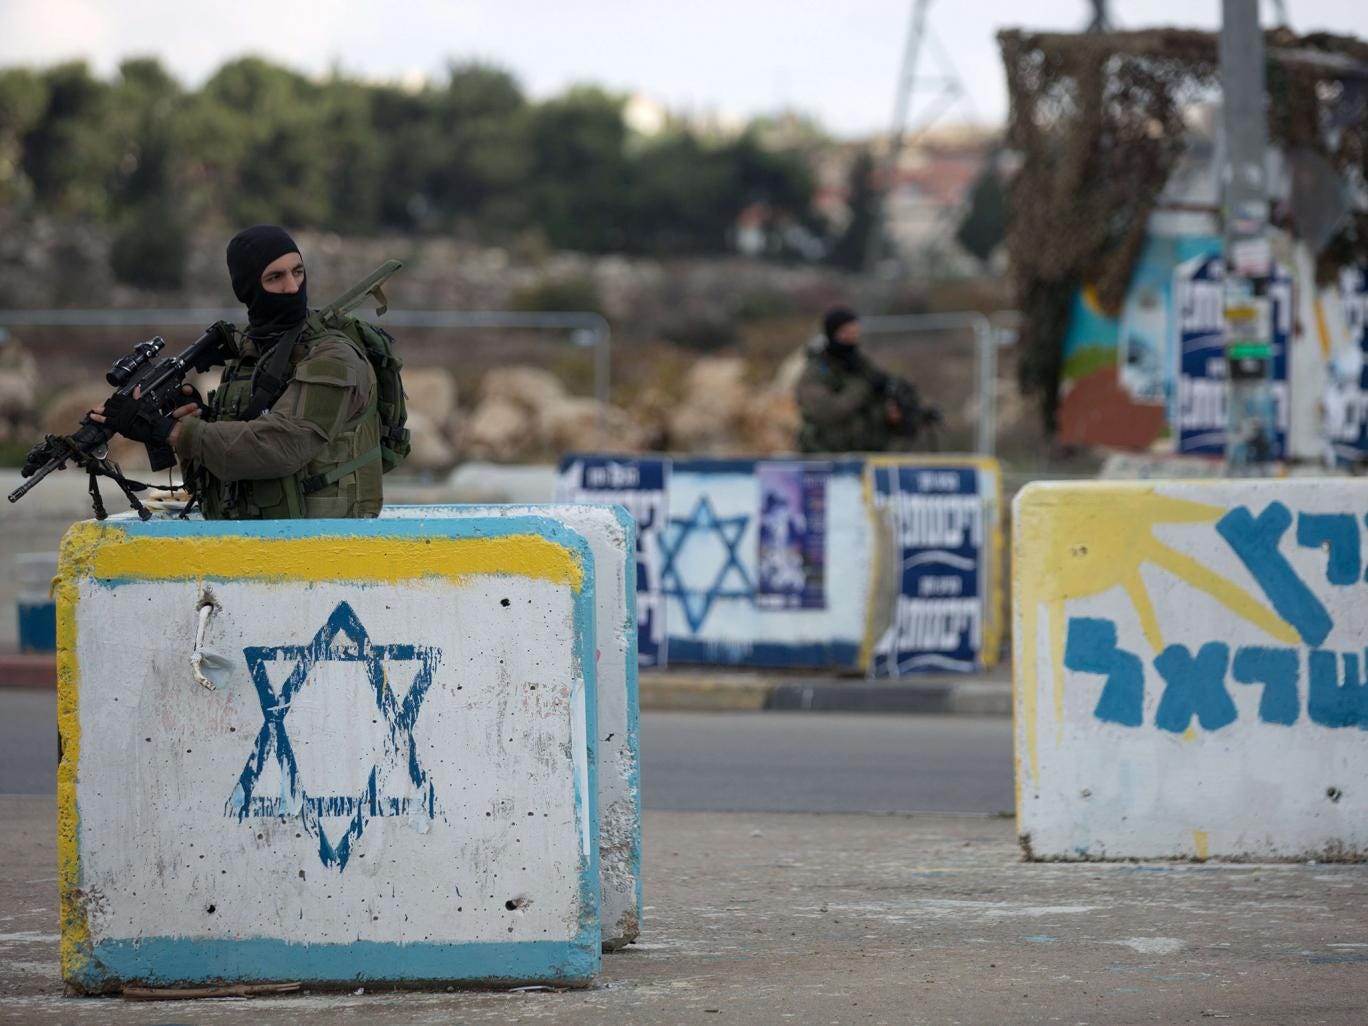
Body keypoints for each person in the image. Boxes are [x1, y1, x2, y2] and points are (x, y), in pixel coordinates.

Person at [94, 225, 383, 519]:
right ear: (248, 288)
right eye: (275, 277)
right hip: (256, 539)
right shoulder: (252, 357)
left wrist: (173, 432)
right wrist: (186, 421)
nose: (293, 288)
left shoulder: (333, 356)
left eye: (298, 272)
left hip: (326, 544)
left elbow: (283, 444)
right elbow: (226, 466)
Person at [795, 306, 904, 453]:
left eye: (855, 333)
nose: (851, 339)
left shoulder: (863, 365)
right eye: (846, 333)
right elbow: (829, 411)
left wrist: (892, 410)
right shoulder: (815, 372)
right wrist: (864, 386)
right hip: (826, 456)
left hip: (868, 453)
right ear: (832, 334)